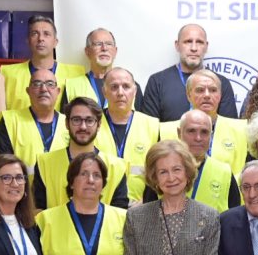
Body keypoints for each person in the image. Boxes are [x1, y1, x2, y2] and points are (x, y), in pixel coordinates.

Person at [34, 97, 129, 210]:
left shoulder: (116, 168)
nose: (83, 127)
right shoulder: (44, 163)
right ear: (67, 123)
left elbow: (119, 215)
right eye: (76, 120)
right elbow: (39, 211)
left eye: (89, 121)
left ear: (98, 125)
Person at [146, 109, 241, 213]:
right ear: (179, 133)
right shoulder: (161, 169)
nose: (198, 138)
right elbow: (148, 215)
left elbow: (234, 218)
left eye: (204, 132)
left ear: (211, 135)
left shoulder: (224, 173)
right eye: (191, 131)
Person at [159, 69, 249, 175]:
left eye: (213, 90)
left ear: (220, 95)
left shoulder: (240, 129)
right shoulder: (165, 130)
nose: (207, 95)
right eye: (200, 90)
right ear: (188, 95)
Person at [141, 23, 238, 121]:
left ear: (206, 46)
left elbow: (228, 128)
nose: (194, 48)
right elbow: (149, 129)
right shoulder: (157, 82)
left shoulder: (220, 82)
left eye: (199, 42)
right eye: (188, 42)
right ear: (177, 45)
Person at [95, 67, 161, 204]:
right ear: (104, 92)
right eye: (114, 87)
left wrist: (146, 201)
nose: (120, 92)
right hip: (101, 207)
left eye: (126, 86)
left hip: (141, 208)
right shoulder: (92, 124)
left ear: (135, 91)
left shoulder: (152, 125)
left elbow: (158, 169)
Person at [0, 68, 69, 177]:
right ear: (28, 91)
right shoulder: (10, 121)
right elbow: (2, 168)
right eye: (37, 84)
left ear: (58, 91)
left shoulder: (69, 123)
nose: (43, 89)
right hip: (23, 192)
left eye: (50, 84)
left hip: (60, 192)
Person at [1, 15, 84, 111]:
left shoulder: (76, 74)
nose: (40, 38)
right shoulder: (8, 74)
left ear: (55, 42)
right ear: (28, 41)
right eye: (35, 34)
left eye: (46, 34)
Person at [61, 28, 143, 109]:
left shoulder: (131, 86)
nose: (104, 48)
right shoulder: (71, 86)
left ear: (115, 51)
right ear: (87, 51)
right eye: (98, 44)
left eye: (109, 44)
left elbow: (140, 120)